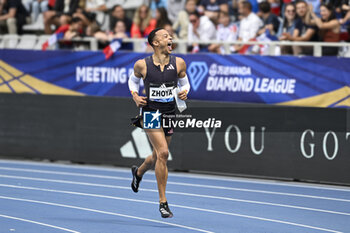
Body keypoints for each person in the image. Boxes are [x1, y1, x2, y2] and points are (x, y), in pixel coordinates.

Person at [128, 28, 190, 218]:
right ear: (155, 43)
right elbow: (133, 81)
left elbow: (185, 83)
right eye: (165, 36)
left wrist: (185, 91)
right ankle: (163, 202)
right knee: (163, 153)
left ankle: (138, 173)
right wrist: (135, 96)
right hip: (150, 113)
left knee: (157, 156)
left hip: (169, 112)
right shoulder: (142, 65)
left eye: (170, 36)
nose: (170, 37)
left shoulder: (179, 63)